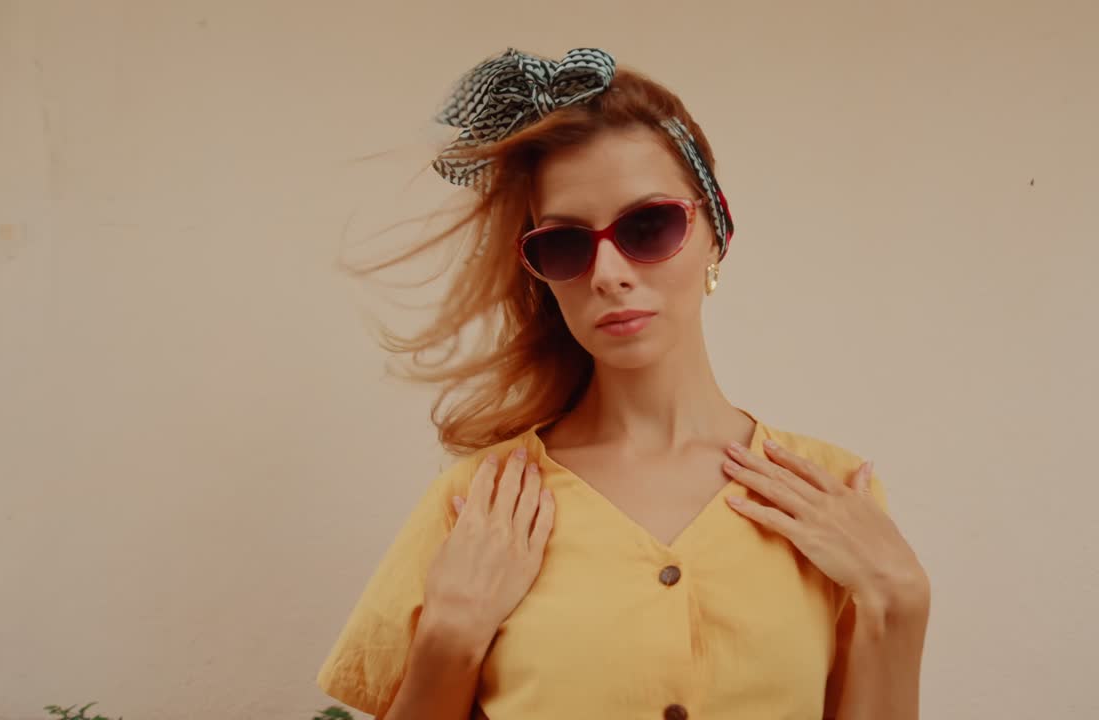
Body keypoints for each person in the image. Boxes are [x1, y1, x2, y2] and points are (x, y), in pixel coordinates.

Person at [316, 47, 929, 720]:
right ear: (540, 272)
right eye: (565, 245)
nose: (607, 272)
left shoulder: (831, 494)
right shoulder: (480, 505)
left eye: (647, 226)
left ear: (715, 230)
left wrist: (901, 602)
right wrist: (450, 637)